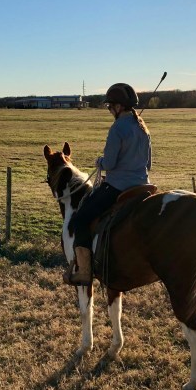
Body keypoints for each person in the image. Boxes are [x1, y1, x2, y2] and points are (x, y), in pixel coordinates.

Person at [64, 82, 153, 286]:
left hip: (118, 187)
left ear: (119, 106)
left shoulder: (117, 128)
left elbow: (110, 163)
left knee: (80, 219)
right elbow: (148, 163)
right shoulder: (143, 128)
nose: (109, 110)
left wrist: (100, 162)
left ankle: (84, 272)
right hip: (143, 185)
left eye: (110, 106)